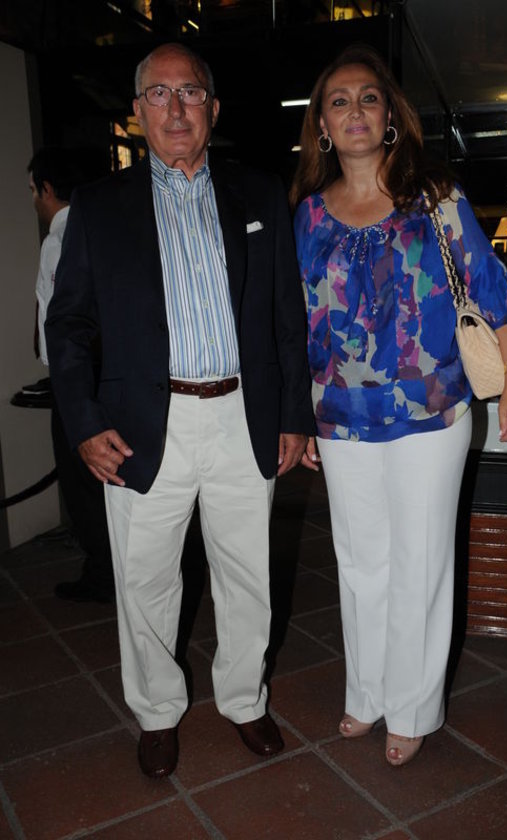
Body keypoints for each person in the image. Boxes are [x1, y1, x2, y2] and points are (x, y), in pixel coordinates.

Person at [46, 43, 314, 779]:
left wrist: (295, 413)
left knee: (248, 574)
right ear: (137, 112)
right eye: (158, 94)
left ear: (212, 108)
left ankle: (244, 699)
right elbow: (68, 325)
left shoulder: (259, 193)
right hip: (140, 426)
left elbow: (287, 316)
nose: (175, 108)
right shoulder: (98, 207)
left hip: (242, 417)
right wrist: (84, 421)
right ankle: (157, 713)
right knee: (145, 582)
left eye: (189, 92)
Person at [291, 44, 507, 766]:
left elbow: (492, 288)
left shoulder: (435, 196)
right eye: (338, 101)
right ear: (322, 126)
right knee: (359, 560)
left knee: (420, 560)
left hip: (432, 412)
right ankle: (367, 692)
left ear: (389, 116)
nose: (355, 111)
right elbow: (293, 322)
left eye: (368, 98)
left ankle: (413, 706)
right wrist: (298, 416)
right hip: (339, 416)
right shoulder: (307, 216)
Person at [27, 147, 115, 603]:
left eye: (33, 190)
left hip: (77, 380)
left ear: (47, 188)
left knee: (83, 485)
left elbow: (61, 321)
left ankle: (103, 574)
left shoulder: (60, 238)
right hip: (109, 377)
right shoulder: (105, 229)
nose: (34, 201)